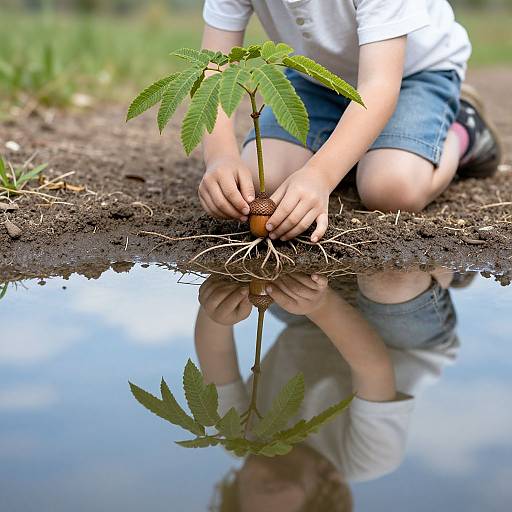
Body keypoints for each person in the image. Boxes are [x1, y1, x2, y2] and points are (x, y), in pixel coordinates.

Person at [198, 0, 503, 243]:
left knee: (389, 189)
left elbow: (379, 85)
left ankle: (464, 129)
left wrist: (319, 175)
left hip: (412, 75)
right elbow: (216, 69)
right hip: (318, 80)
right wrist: (220, 156)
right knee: (257, 182)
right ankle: (356, 147)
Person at [194, 268, 460, 511]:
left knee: (264, 266)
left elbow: (216, 355)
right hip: (400, 342)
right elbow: (373, 368)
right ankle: (449, 270)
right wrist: (321, 304)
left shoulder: (236, 436)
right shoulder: (368, 459)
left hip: (306, 322)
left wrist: (216, 313)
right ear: (324, 493)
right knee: (391, 279)